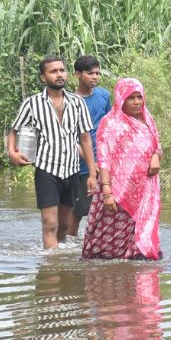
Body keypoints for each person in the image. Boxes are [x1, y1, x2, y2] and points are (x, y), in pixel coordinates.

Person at [7, 55, 97, 249]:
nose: (59, 75)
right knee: (50, 224)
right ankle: (51, 268)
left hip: (72, 171)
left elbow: (85, 138)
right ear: (43, 77)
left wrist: (92, 173)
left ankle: (62, 266)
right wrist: (12, 153)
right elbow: (14, 131)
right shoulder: (32, 104)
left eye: (62, 70)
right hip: (47, 171)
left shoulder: (77, 103)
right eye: (53, 71)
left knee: (64, 225)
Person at [82, 78, 162, 260]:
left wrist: (156, 156)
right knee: (108, 244)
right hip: (118, 191)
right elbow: (104, 158)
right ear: (120, 99)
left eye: (139, 97)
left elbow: (157, 144)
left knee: (144, 236)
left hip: (145, 190)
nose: (137, 102)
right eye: (131, 98)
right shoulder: (109, 123)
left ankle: (141, 256)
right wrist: (107, 191)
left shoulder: (147, 120)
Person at [67, 55, 112, 238]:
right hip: (81, 165)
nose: (94, 77)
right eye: (90, 73)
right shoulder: (69, 101)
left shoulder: (103, 95)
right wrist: (91, 164)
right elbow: (70, 139)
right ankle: (68, 245)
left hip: (104, 162)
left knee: (106, 206)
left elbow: (110, 125)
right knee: (79, 209)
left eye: (97, 73)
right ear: (77, 74)